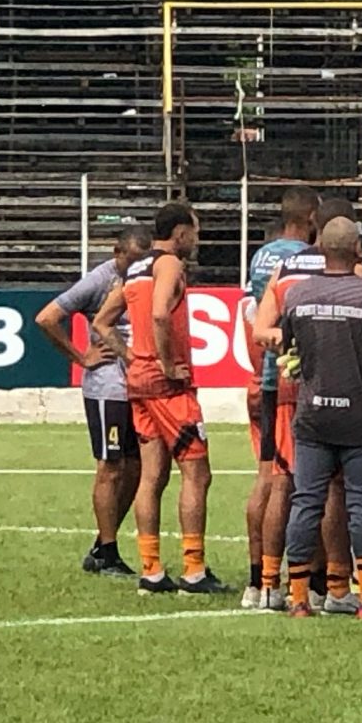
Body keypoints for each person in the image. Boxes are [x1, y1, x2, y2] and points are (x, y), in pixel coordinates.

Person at [264, 217, 362, 620]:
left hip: (313, 415)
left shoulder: (298, 295)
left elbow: (291, 349)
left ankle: (299, 599)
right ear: (357, 250)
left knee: (306, 502)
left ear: (320, 248)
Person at [93, 202, 226, 597]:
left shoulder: (135, 268)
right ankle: (194, 570)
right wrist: (166, 364)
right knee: (197, 473)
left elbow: (102, 321)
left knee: (152, 476)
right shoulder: (169, 264)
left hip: (138, 382)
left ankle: (151, 570)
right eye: (194, 232)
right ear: (180, 232)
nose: (196, 240)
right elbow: (160, 314)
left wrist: (132, 356)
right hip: (167, 386)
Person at [33, 221, 151, 578]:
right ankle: (109, 551)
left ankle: (102, 546)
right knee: (110, 467)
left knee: (136, 467)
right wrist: (81, 357)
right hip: (107, 389)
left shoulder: (144, 278)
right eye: (131, 260)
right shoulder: (99, 280)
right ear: (117, 253)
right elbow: (47, 318)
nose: (136, 267)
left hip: (135, 388)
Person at [243, 188, 320, 606]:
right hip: (300, 376)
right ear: (310, 218)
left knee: (267, 477)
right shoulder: (307, 260)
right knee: (306, 482)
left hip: (267, 373)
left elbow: (252, 315)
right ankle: (314, 580)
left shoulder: (261, 258)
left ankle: (258, 579)